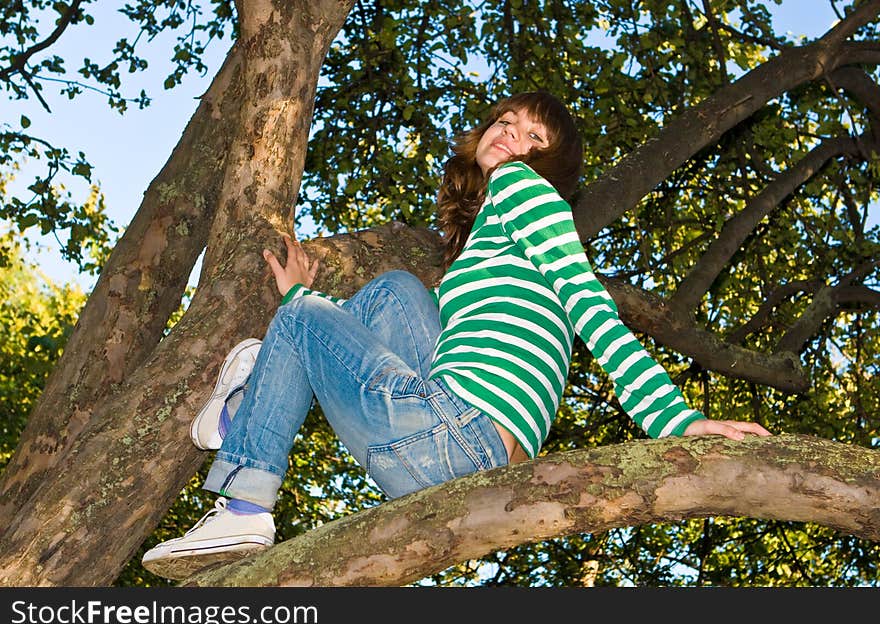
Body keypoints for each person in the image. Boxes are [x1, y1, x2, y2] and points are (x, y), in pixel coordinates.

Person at [141, 91, 770, 579]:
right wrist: (304, 307)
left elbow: (590, 305)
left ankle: (244, 503)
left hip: (458, 436)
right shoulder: (484, 254)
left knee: (307, 316)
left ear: (547, 162)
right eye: (506, 121)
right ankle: (258, 393)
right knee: (399, 293)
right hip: (458, 450)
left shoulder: (525, 189)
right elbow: (372, 343)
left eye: (534, 136)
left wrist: (675, 421)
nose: (511, 136)